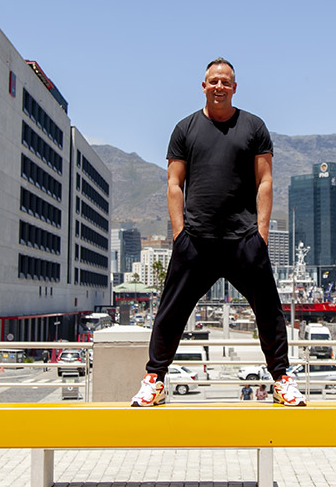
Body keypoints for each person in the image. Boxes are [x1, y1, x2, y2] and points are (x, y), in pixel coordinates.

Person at [131, 57, 306, 408]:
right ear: (204, 86)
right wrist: (179, 234)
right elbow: (174, 184)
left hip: (244, 240)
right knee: (170, 312)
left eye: (225, 81)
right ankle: (154, 380)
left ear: (234, 87)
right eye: (214, 81)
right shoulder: (185, 129)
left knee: (269, 311)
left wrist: (261, 234)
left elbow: (265, 181)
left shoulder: (254, 127)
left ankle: (282, 379)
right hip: (196, 241)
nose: (219, 86)